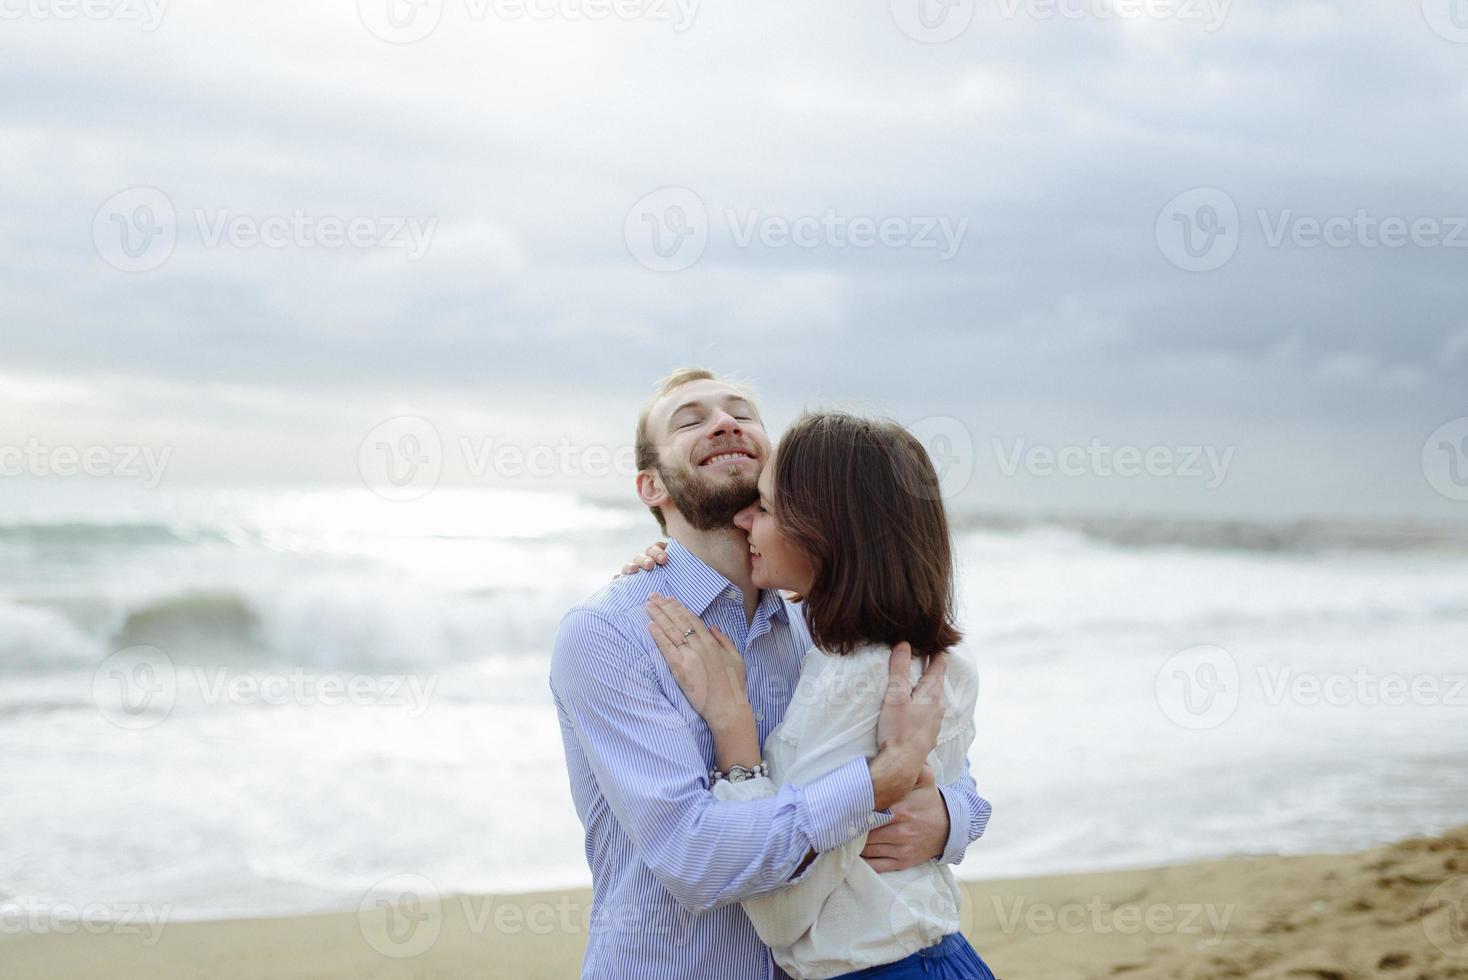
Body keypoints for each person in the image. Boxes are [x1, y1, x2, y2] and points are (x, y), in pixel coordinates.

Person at [549, 368, 992, 979]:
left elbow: (948, 764)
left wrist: (949, 818)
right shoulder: (611, 633)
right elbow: (694, 856)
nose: (724, 422)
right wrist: (875, 785)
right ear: (651, 486)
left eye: (741, 414)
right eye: (690, 419)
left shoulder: (823, 626)